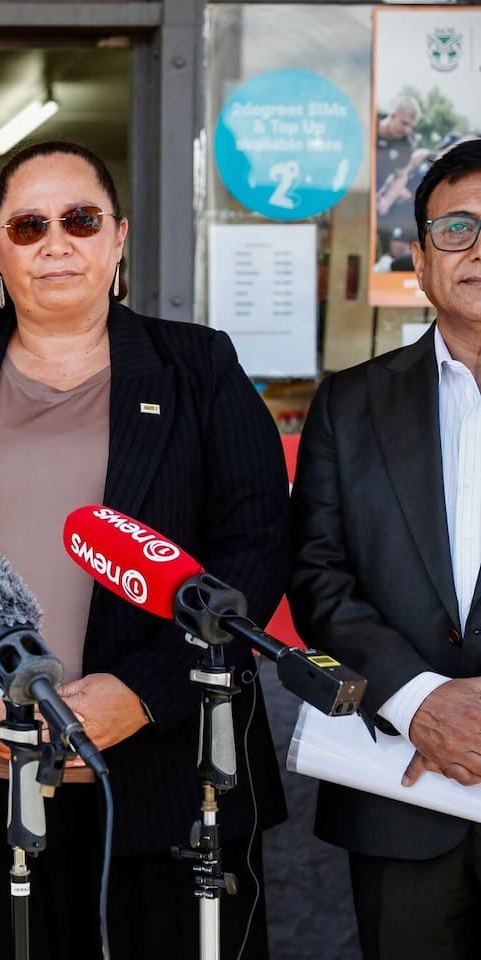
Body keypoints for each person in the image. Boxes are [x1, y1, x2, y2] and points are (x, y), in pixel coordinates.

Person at [0, 140, 289, 960]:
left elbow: (254, 547)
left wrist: (142, 692)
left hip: (169, 783)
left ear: (117, 238)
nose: (56, 242)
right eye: (29, 224)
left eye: (80, 220)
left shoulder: (198, 366)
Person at [290, 138, 481, 960]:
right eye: (458, 228)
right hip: (406, 786)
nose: (480, 251)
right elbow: (317, 577)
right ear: (419, 253)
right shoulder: (352, 402)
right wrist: (419, 701)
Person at [377, 95, 422, 255]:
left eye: (410, 125)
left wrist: (386, 202)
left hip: (376, 197)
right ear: (393, 115)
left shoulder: (406, 143)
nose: (406, 129)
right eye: (404, 123)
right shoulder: (369, 122)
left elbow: (401, 176)